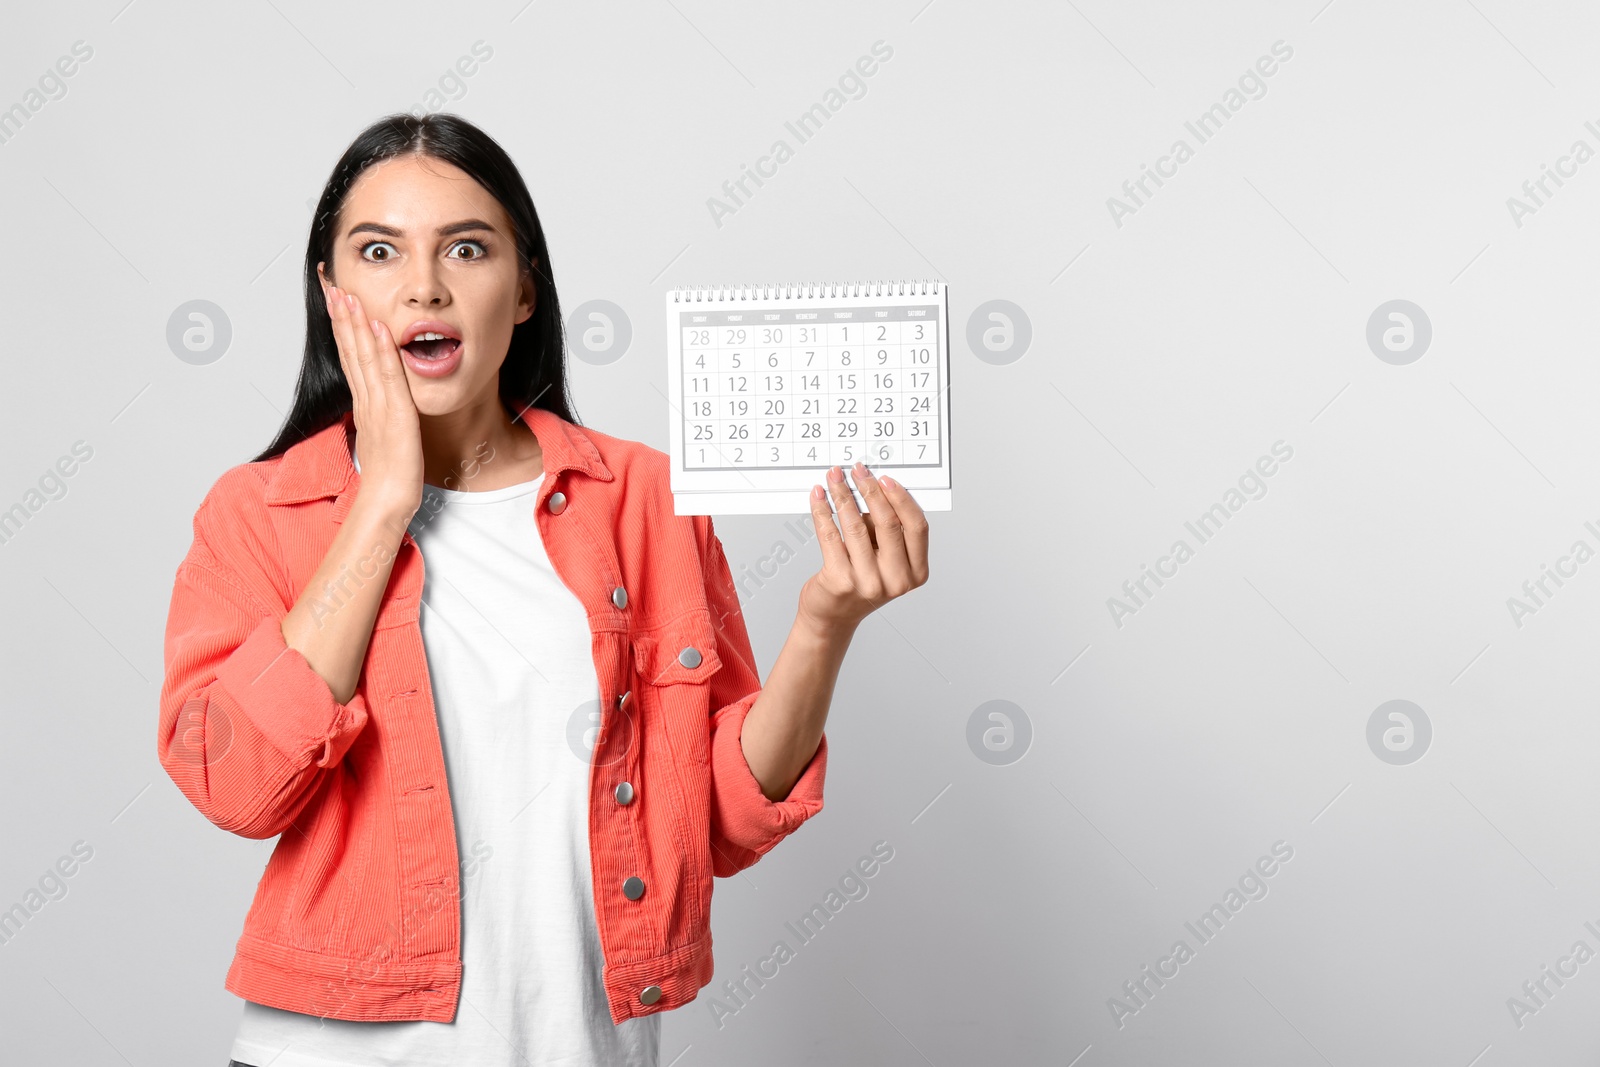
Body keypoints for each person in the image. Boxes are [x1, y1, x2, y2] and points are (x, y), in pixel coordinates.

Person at [155, 112, 930, 1067]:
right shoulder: (260, 510)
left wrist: (826, 623)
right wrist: (385, 499)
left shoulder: (643, 496)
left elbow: (721, 818)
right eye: (379, 250)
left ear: (523, 289)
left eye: (467, 248)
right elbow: (237, 789)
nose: (424, 285)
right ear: (332, 291)